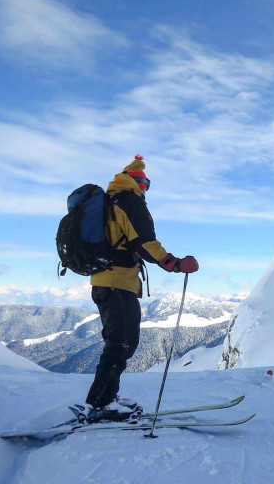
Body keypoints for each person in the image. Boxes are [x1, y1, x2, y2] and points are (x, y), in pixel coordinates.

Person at [84, 155, 199, 420]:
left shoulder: (110, 202)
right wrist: (175, 264)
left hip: (105, 281)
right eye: (145, 183)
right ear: (137, 181)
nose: (145, 188)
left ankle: (106, 399)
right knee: (121, 343)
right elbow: (145, 243)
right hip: (118, 282)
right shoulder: (129, 201)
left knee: (119, 343)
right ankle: (99, 404)